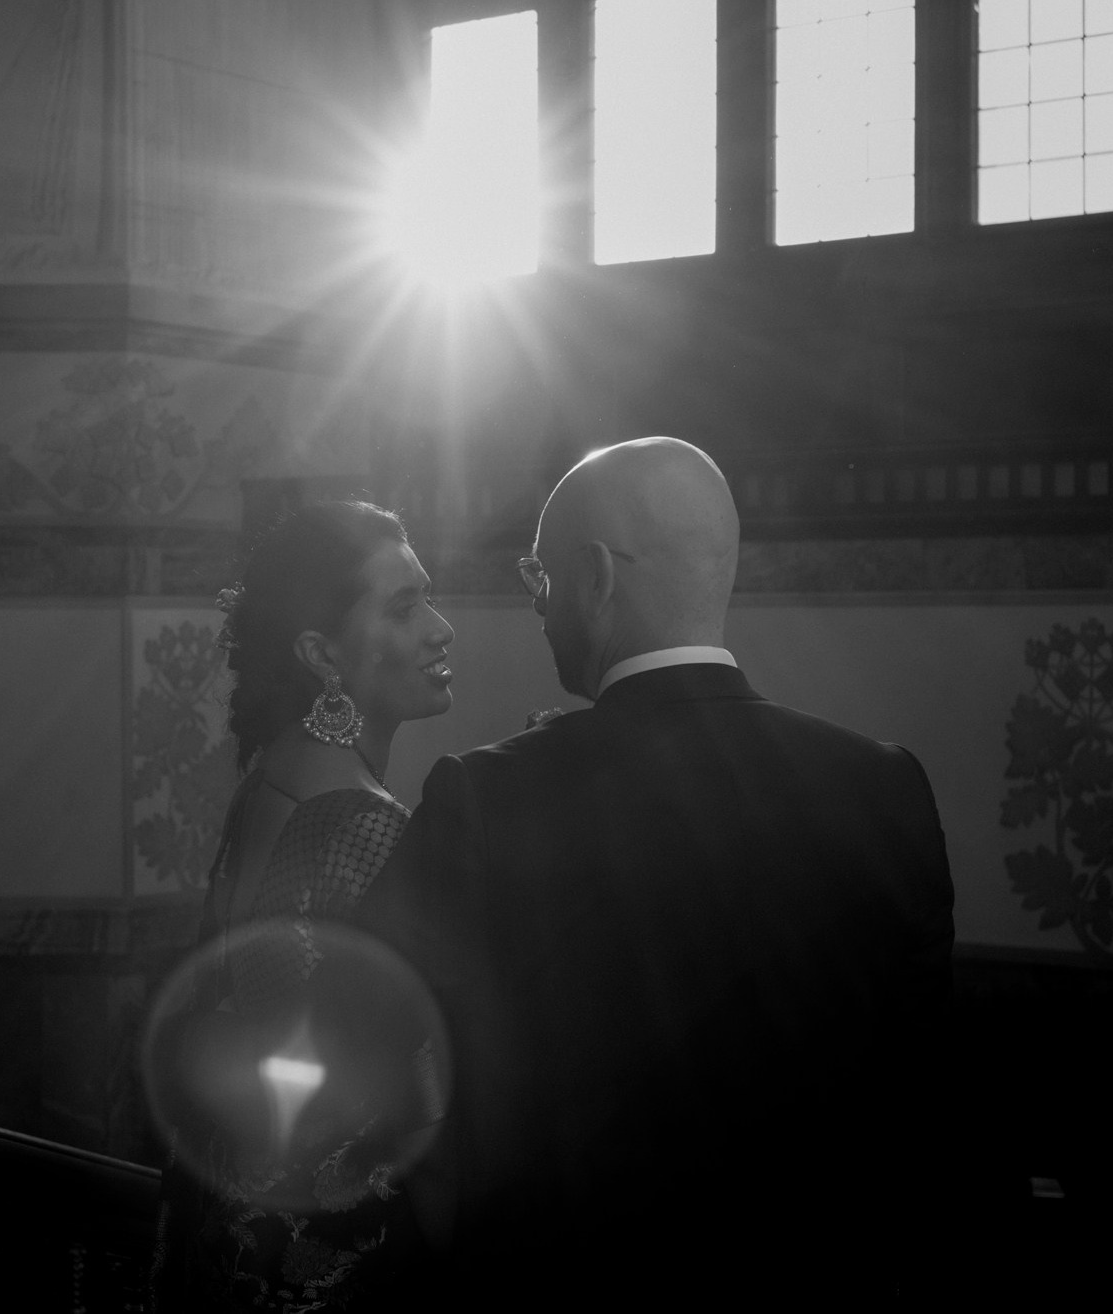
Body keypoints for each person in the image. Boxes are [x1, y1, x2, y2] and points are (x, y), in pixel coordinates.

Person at [356, 438, 955, 1305]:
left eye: (541, 575)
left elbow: (359, 1026)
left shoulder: (485, 798)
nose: (538, 604)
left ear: (597, 576)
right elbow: (923, 1095)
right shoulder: (884, 786)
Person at [149, 500, 457, 1312]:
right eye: (404, 608)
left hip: (226, 1234)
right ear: (321, 654)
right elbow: (421, 1093)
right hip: (318, 1260)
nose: (441, 630)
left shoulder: (276, 776)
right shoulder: (359, 822)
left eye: (428, 598)